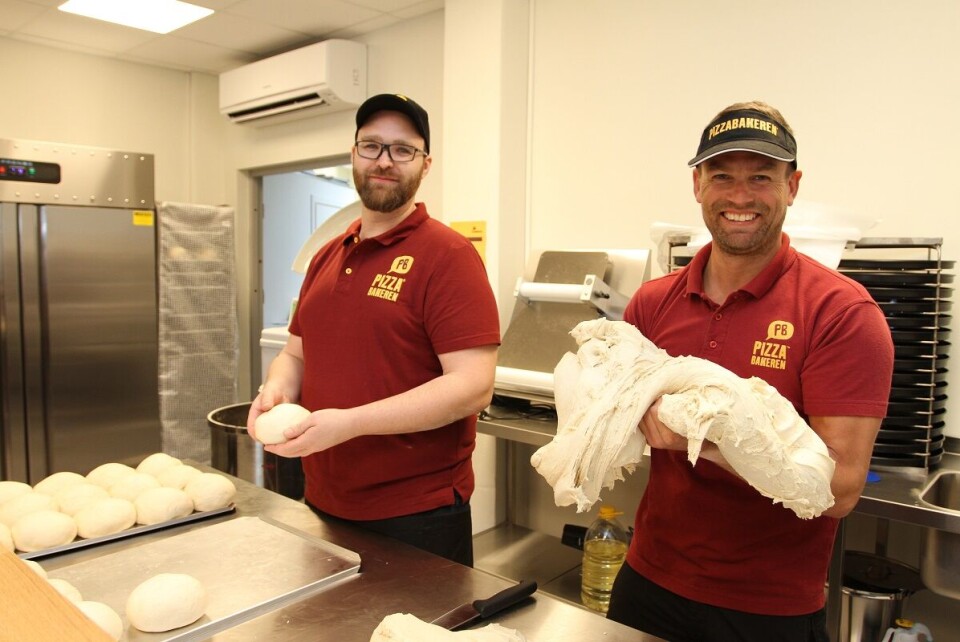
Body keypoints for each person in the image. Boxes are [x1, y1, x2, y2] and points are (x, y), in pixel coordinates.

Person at [606, 101, 894, 641]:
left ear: (792, 186)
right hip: (648, 581)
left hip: (769, 609)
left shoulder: (841, 314)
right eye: (722, 176)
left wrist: (707, 437)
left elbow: (840, 490)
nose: (740, 197)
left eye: (761, 177)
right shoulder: (651, 303)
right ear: (697, 184)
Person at [247, 93, 501, 566]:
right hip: (323, 498)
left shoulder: (448, 256)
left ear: (425, 165)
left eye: (403, 150)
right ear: (354, 155)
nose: (384, 161)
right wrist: (276, 391)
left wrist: (348, 424)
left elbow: (472, 387)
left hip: (415, 514)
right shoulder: (326, 256)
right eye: (372, 146)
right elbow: (295, 354)